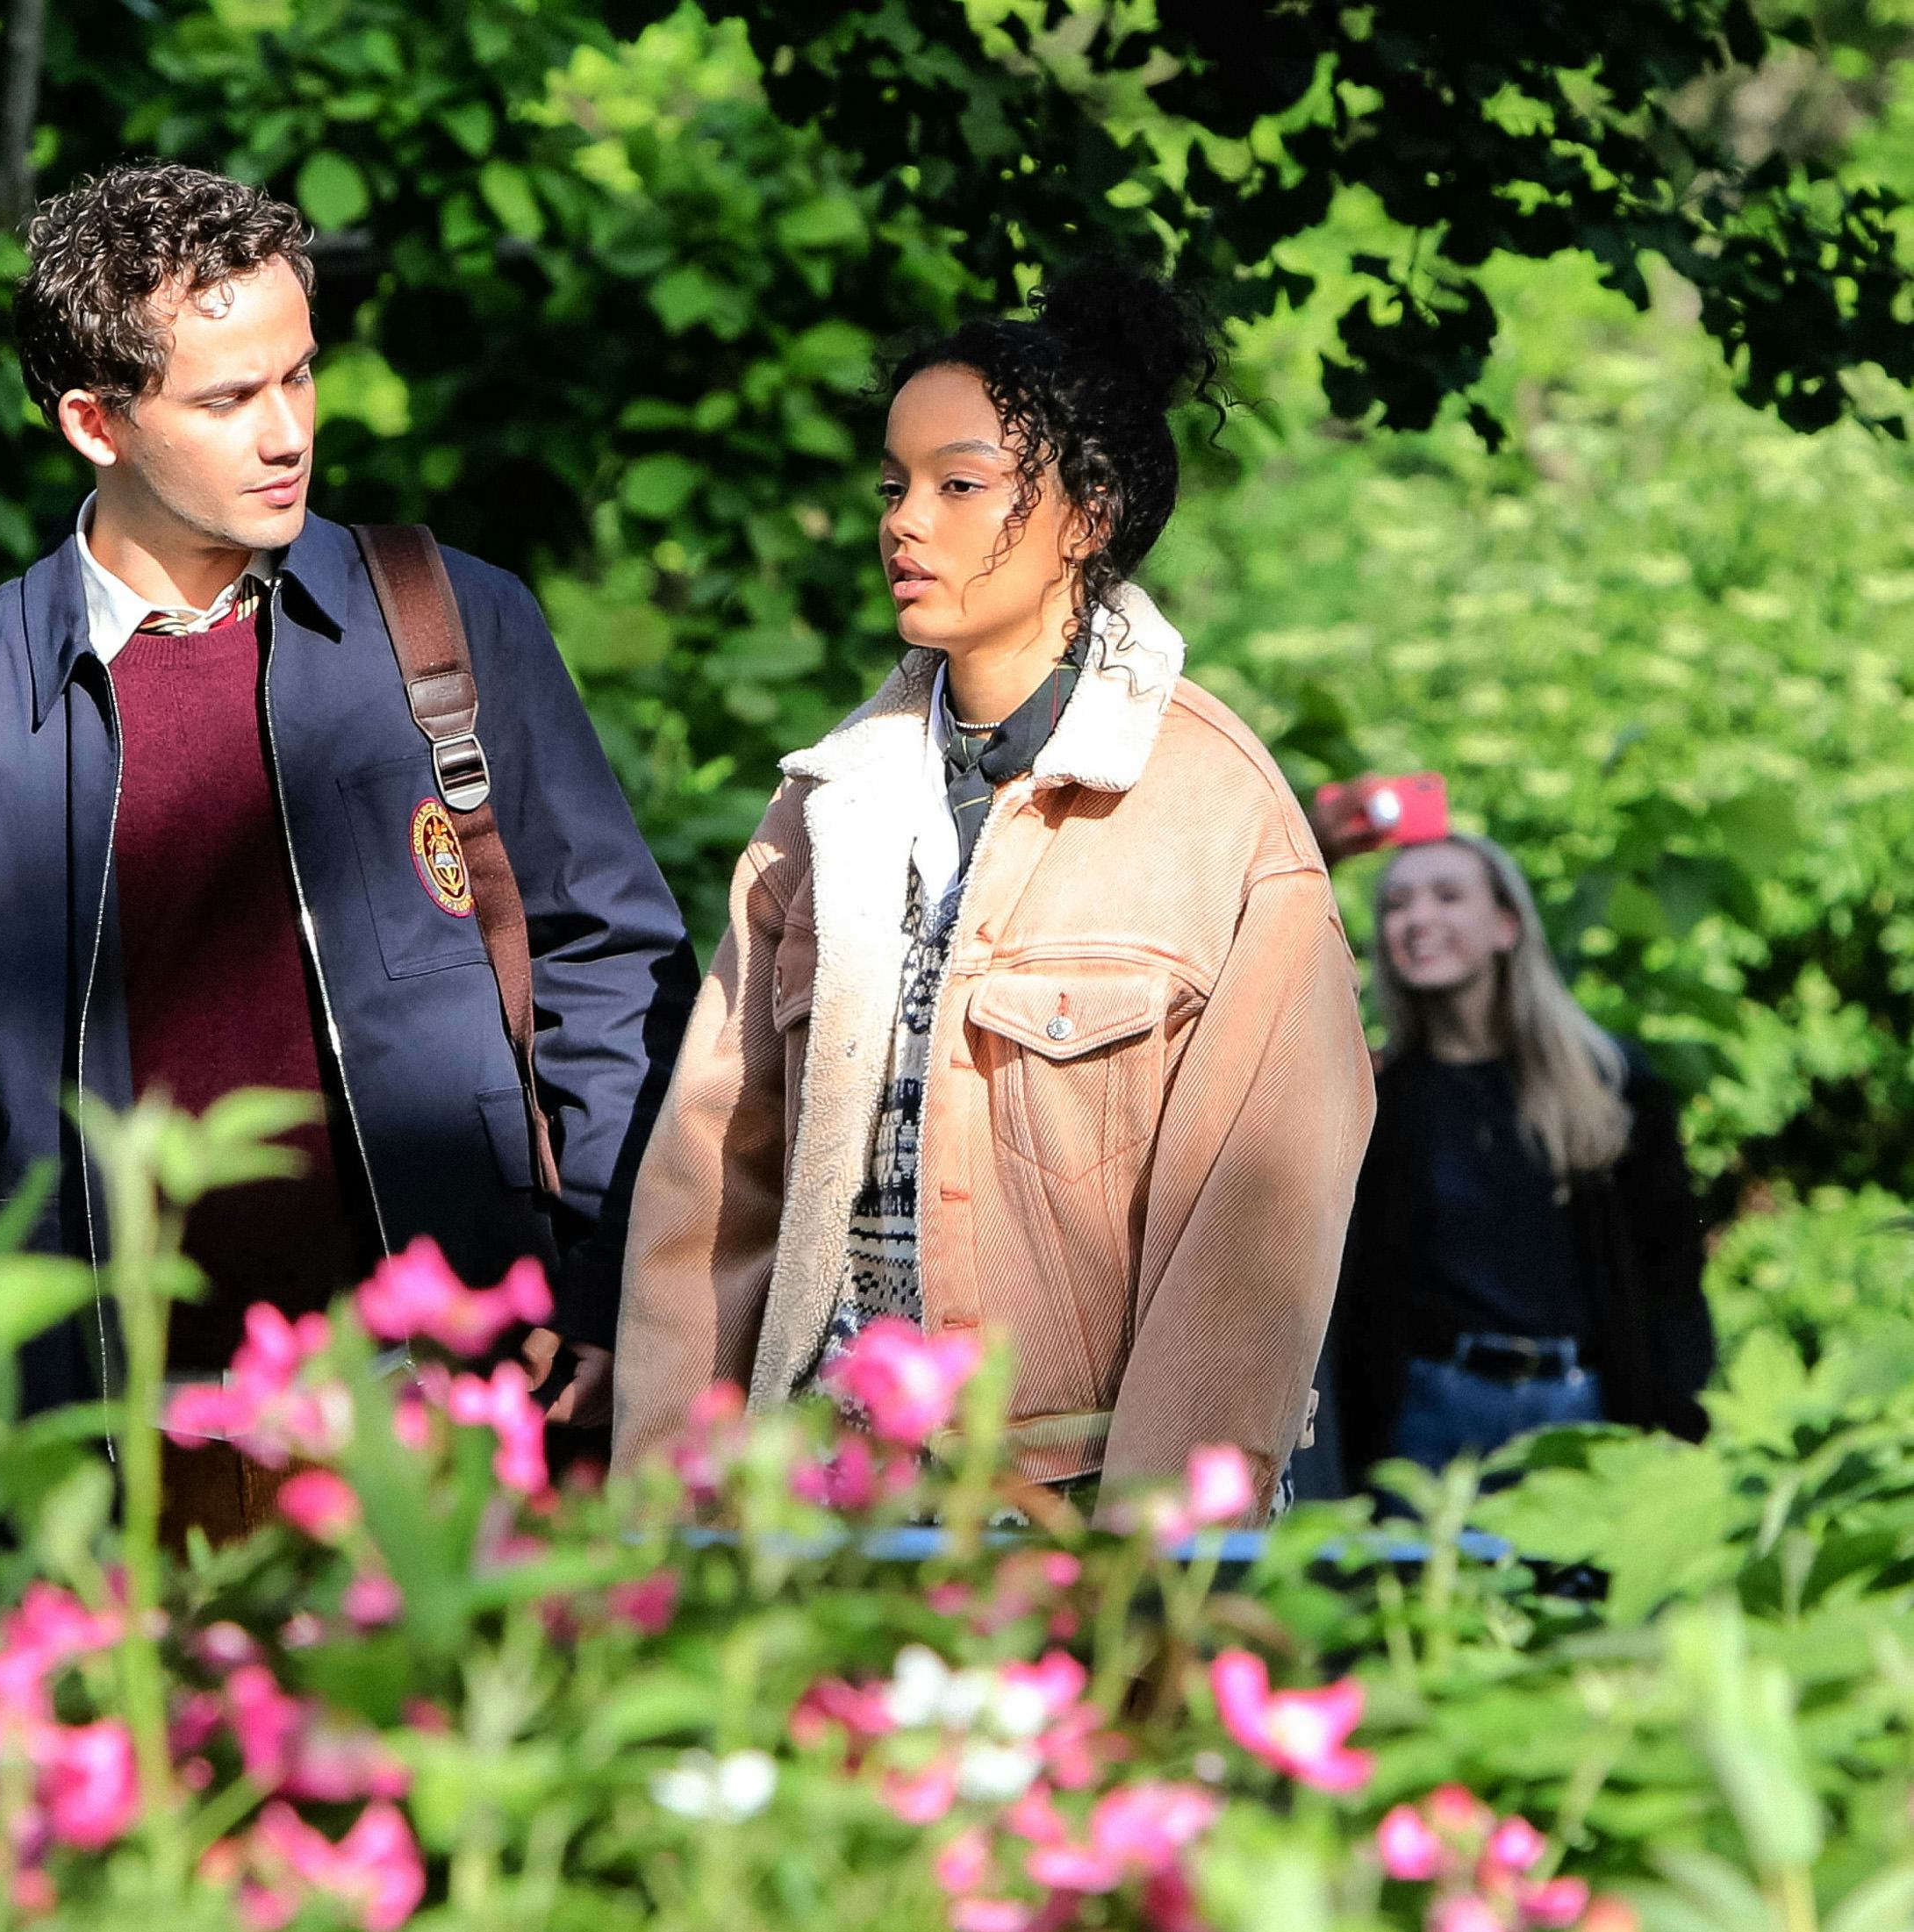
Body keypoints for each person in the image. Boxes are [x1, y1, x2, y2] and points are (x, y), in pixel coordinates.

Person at [0, 161, 697, 1576]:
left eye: (300, 376)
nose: (287, 434)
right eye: (227, 400)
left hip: (459, 1427)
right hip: (107, 1467)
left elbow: (612, 973)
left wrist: (610, 1284)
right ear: (94, 422)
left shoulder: (451, 623)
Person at [611, 263, 1375, 1520]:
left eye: (959, 485)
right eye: (895, 486)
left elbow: (1256, 1232)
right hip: (830, 1518)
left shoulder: (1221, 816)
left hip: (1076, 1516)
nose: (905, 521)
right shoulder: (825, 806)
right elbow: (712, 1182)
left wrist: (1154, 1564)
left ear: (1090, 513)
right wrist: (663, 1521)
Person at [1311, 834, 1714, 1487]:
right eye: (1395, 905)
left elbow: (1670, 1271)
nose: (1417, 919)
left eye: (1447, 895)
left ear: (1507, 924)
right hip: (1427, 1421)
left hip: (1583, 1414)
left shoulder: (1608, 1082)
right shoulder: (1377, 1100)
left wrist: (1679, 1419)